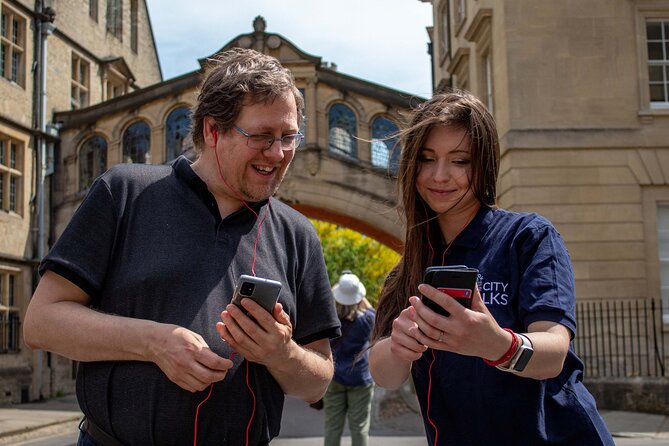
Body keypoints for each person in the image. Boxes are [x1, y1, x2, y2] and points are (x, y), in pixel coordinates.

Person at [23, 48, 340, 446]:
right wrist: (153, 343)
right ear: (212, 130)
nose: (278, 154)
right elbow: (41, 323)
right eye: (261, 137)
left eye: (288, 137)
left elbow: (317, 383)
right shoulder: (125, 192)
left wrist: (280, 352)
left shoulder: (298, 234)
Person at [368, 90, 614, 445]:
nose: (439, 175)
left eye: (460, 160)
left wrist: (496, 344)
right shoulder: (411, 267)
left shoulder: (528, 237)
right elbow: (385, 375)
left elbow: (554, 353)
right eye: (426, 158)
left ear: (483, 163)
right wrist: (399, 346)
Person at [323, 271, 376, 446]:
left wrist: (334, 292)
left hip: (335, 376)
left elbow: (327, 303)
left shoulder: (330, 319)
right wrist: (359, 296)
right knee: (359, 427)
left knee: (332, 427)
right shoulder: (367, 319)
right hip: (360, 377)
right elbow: (371, 310)